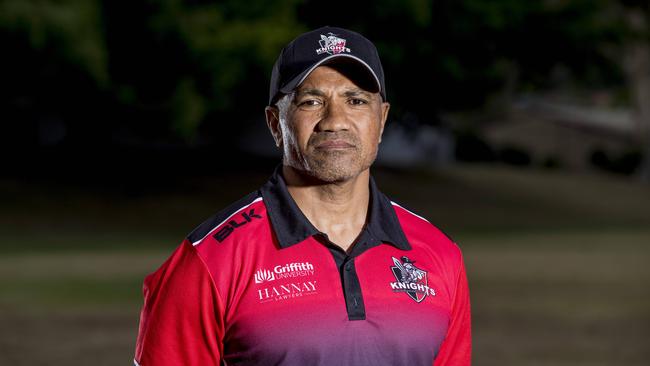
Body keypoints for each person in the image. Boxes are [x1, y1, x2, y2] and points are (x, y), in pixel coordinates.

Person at [133, 26, 471, 366]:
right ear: (275, 123)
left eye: (355, 101)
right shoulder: (208, 261)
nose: (335, 121)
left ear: (381, 119)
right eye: (311, 101)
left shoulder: (439, 254)